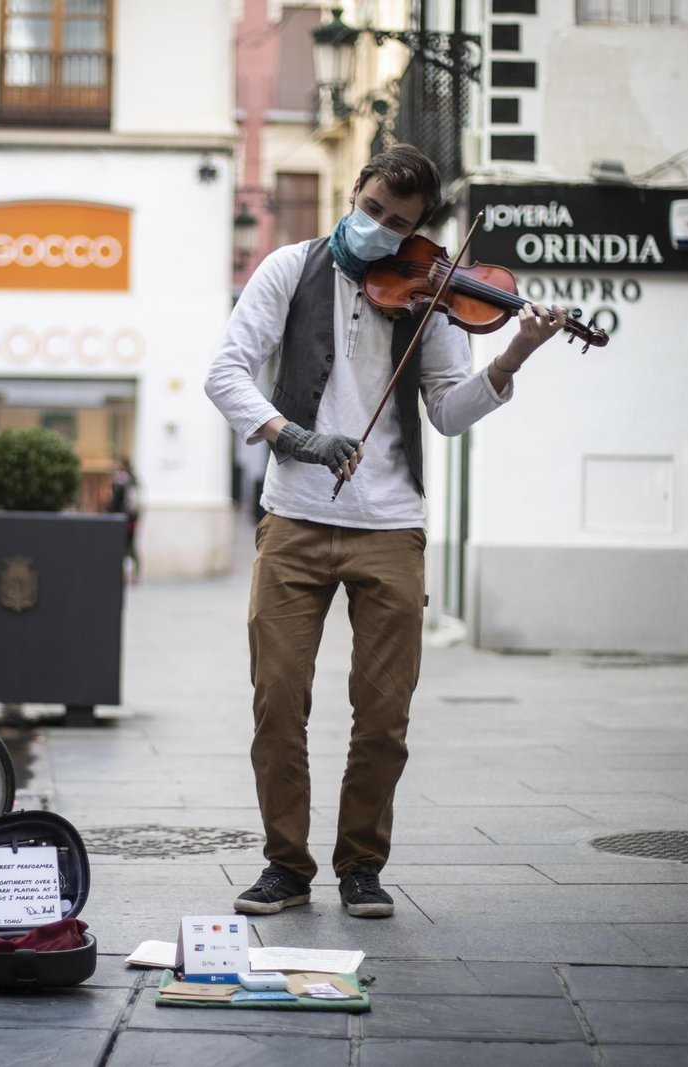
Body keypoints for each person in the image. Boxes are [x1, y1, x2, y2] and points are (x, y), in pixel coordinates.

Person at [204, 144, 568, 918]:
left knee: (384, 713)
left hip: (391, 526)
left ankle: (362, 864)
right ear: (355, 189)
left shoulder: (431, 292)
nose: (377, 228)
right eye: (370, 209)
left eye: (397, 223)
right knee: (276, 700)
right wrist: (291, 437)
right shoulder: (287, 269)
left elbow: (448, 411)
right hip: (296, 520)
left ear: (419, 231)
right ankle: (286, 866)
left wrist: (516, 354)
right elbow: (226, 371)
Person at [109, 457, 140, 583]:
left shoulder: (122, 481)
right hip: (131, 518)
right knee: (130, 545)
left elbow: (115, 502)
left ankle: (125, 573)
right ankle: (134, 573)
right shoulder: (134, 481)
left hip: (122, 519)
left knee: (123, 546)